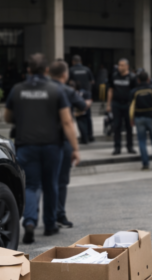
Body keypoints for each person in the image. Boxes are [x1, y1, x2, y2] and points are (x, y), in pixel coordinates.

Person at [5, 53, 80, 245]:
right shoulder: (56, 90)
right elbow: (67, 121)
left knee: (31, 185)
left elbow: (7, 117)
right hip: (52, 145)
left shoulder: (17, 89)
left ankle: (29, 222)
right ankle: (50, 224)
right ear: (46, 70)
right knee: (51, 185)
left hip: (26, 145)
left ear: (28, 70)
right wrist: (75, 148)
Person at [48, 60, 87, 229]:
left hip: (41, 141)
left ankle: (43, 217)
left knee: (44, 182)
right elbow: (83, 106)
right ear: (65, 74)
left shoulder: (43, 89)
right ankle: (59, 214)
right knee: (61, 180)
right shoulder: (67, 91)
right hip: (62, 140)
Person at [129, 71, 152, 170]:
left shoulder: (134, 91)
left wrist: (131, 118)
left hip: (139, 118)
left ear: (138, 80)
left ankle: (145, 164)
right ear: (148, 79)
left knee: (141, 141)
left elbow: (130, 106)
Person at [107, 58, 137, 155]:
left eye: (122, 65)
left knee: (129, 127)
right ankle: (117, 147)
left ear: (127, 66)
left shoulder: (132, 77)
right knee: (116, 126)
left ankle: (130, 147)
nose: (119, 67)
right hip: (116, 104)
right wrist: (108, 104)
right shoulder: (114, 76)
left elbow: (135, 93)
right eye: (119, 65)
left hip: (128, 104)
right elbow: (110, 90)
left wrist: (134, 106)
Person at [69, 55, 95, 143]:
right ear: (81, 61)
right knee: (88, 116)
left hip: (76, 95)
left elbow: (69, 82)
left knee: (79, 116)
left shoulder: (71, 70)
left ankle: (84, 138)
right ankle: (90, 136)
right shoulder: (87, 69)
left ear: (73, 62)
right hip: (87, 95)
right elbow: (92, 81)